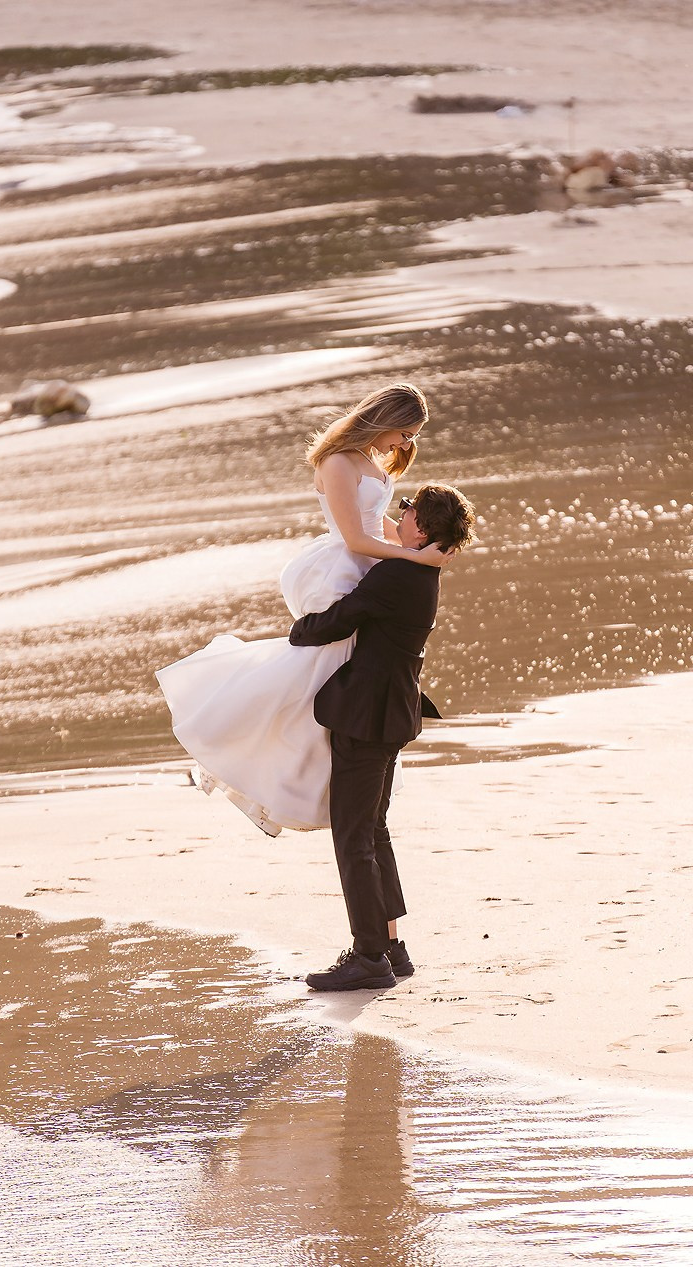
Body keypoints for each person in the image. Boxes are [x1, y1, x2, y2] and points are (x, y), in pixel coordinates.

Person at [156, 384, 448, 837]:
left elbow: (379, 521)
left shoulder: (369, 461)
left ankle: (325, 766)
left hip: (371, 560)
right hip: (343, 566)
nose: (407, 445)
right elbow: (354, 537)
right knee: (320, 666)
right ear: (387, 419)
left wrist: (418, 546)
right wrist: (413, 558)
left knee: (344, 668)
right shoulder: (337, 462)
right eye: (406, 433)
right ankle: (258, 745)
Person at [291, 483, 477, 992]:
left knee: (353, 837)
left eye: (408, 509)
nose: (402, 515)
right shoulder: (421, 570)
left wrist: (297, 630)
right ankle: (390, 947)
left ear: (422, 527)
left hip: (368, 717)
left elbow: (340, 620)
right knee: (372, 831)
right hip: (390, 711)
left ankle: (369, 955)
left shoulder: (400, 572)